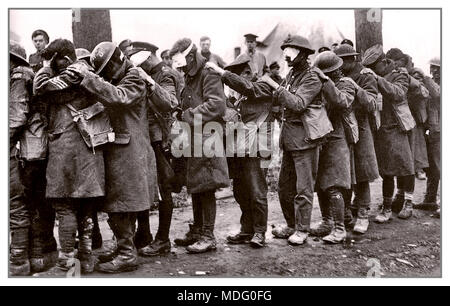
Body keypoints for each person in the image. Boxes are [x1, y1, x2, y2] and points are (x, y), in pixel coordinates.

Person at [67, 41, 158, 273]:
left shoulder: (135, 77)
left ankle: (127, 254)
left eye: (107, 68)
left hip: (130, 151)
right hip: (121, 150)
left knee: (122, 202)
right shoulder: (121, 77)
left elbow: (119, 97)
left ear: (118, 60)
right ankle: (124, 247)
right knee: (118, 202)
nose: (106, 73)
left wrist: (89, 77)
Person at [33, 39, 106, 274]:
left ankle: (67, 259)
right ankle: (85, 257)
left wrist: (45, 65)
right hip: (88, 148)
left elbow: (39, 87)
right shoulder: (87, 73)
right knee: (85, 206)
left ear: (63, 59)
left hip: (66, 147)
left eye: (53, 60)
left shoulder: (69, 74)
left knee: (64, 205)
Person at [206, 55, 274, 248]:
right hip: (239, 147)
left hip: (258, 146)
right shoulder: (237, 96)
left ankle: (260, 232)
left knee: (257, 190)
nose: (237, 78)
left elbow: (248, 88)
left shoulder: (262, 86)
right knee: (240, 191)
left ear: (247, 72)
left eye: (240, 73)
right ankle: (247, 230)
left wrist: (222, 73)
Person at [170, 38, 229, 253]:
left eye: (183, 63)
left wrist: (187, 115)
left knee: (207, 187)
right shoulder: (190, 74)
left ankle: (208, 235)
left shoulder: (208, 72)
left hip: (208, 136)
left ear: (190, 56)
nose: (182, 68)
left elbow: (217, 105)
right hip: (194, 136)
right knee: (196, 185)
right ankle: (197, 230)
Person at [269, 35, 325, 245]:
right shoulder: (292, 74)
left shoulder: (312, 77)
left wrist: (277, 89)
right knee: (285, 187)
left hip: (305, 140)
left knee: (304, 189)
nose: (287, 57)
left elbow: (299, 103)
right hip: (290, 140)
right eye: (286, 52)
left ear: (303, 54)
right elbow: (281, 100)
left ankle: (302, 229)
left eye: (291, 52)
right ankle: (291, 224)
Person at [129, 41, 181, 256]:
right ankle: (144, 234)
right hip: (145, 138)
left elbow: (170, 103)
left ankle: (163, 239)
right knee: (144, 186)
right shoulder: (148, 73)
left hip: (160, 140)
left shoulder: (165, 74)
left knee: (163, 189)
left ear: (149, 57)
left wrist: (149, 82)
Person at [311, 51, 363, 243]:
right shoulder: (322, 84)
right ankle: (327, 222)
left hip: (338, 139)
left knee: (335, 185)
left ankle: (340, 229)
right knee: (321, 184)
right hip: (322, 138)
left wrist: (325, 82)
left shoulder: (347, 84)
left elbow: (342, 102)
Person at [361, 44, 415, 222]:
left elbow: (398, 93)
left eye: (374, 67)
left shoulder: (400, 74)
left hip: (399, 127)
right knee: (387, 170)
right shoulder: (376, 75)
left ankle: (408, 202)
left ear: (384, 62)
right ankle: (387, 207)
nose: (372, 70)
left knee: (406, 166)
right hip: (381, 128)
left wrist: (377, 78)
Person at [333, 44, 379, 235]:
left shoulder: (366, 75)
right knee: (346, 173)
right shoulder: (338, 76)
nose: (340, 66)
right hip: (343, 128)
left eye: (342, 61)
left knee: (362, 173)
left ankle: (363, 212)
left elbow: (372, 103)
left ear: (352, 59)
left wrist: (356, 87)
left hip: (361, 126)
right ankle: (348, 212)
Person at [386, 48, 430, 213]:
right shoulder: (394, 75)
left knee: (409, 164)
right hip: (399, 124)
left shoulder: (412, 76)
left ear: (400, 62)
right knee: (400, 163)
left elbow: (423, 93)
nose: (394, 66)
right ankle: (400, 196)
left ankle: (409, 202)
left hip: (411, 125)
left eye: (395, 62)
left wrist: (409, 78)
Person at [9, 41, 34, 276]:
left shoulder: (18, 77)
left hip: (15, 151)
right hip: (19, 149)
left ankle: (19, 259)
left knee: (14, 203)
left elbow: (16, 117)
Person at [414, 58, 440, 218]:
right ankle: (430, 199)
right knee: (432, 168)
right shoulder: (431, 83)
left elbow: (437, 95)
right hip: (432, 130)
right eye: (433, 68)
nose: (435, 71)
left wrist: (425, 78)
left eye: (438, 68)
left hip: (440, 130)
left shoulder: (435, 84)